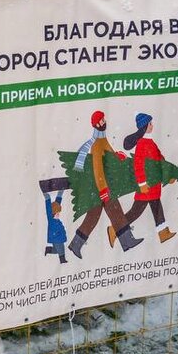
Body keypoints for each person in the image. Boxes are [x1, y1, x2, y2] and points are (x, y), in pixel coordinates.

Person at [66, 110, 142, 258]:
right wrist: (103, 190)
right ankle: (127, 241)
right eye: (102, 120)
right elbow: (98, 168)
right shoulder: (96, 144)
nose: (104, 122)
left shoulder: (102, 140)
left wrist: (117, 156)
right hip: (101, 187)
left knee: (94, 217)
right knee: (115, 211)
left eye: (104, 119)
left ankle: (76, 244)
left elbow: (108, 156)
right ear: (97, 124)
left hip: (101, 187)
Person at [120, 113, 177, 244]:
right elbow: (138, 165)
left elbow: (160, 160)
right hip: (146, 186)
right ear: (145, 126)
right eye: (150, 123)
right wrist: (142, 183)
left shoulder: (150, 142)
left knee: (156, 209)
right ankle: (115, 228)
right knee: (135, 212)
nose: (152, 125)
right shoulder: (141, 144)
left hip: (153, 185)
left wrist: (168, 176)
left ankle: (164, 233)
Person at [43, 191, 68, 263]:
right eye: (57, 213)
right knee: (61, 249)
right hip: (56, 237)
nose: (58, 214)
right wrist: (47, 197)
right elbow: (49, 208)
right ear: (53, 213)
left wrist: (60, 194)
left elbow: (57, 204)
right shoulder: (51, 218)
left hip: (57, 237)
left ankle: (48, 249)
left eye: (58, 213)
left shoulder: (56, 219)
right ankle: (62, 260)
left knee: (56, 250)